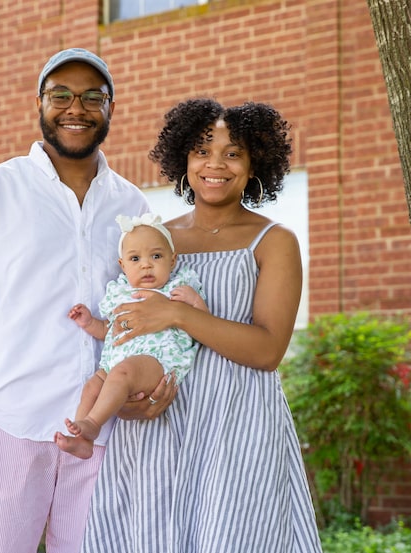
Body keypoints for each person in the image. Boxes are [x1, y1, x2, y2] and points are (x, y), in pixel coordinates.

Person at [0, 48, 158, 553]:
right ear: (41, 102)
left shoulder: (132, 204)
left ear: (110, 109)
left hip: (101, 428)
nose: (75, 108)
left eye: (92, 97)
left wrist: (151, 380)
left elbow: (142, 310)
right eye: (61, 94)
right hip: (10, 420)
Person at [81, 98, 322, 552]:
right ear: (183, 160)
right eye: (202, 150)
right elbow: (121, 332)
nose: (216, 164)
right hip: (159, 421)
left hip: (237, 422)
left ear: (254, 166)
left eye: (233, 153)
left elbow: (268, 351)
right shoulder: (155, 242)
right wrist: (127, 397)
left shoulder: (274, 241)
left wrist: (178, 314)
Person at [57, 213, 208, 459]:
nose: (145, 265)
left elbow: (203, 325)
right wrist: (89, 322)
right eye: (135, 259)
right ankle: (82, 438)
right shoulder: (120, 293)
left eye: (156, 256)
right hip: (116, 360)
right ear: (123, 265)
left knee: (122, 374)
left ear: (172, 260)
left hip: (156, 359)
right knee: (92, 386)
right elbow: (110, 330)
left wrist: (196, 302)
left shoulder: (179, 289)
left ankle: (93, 424)